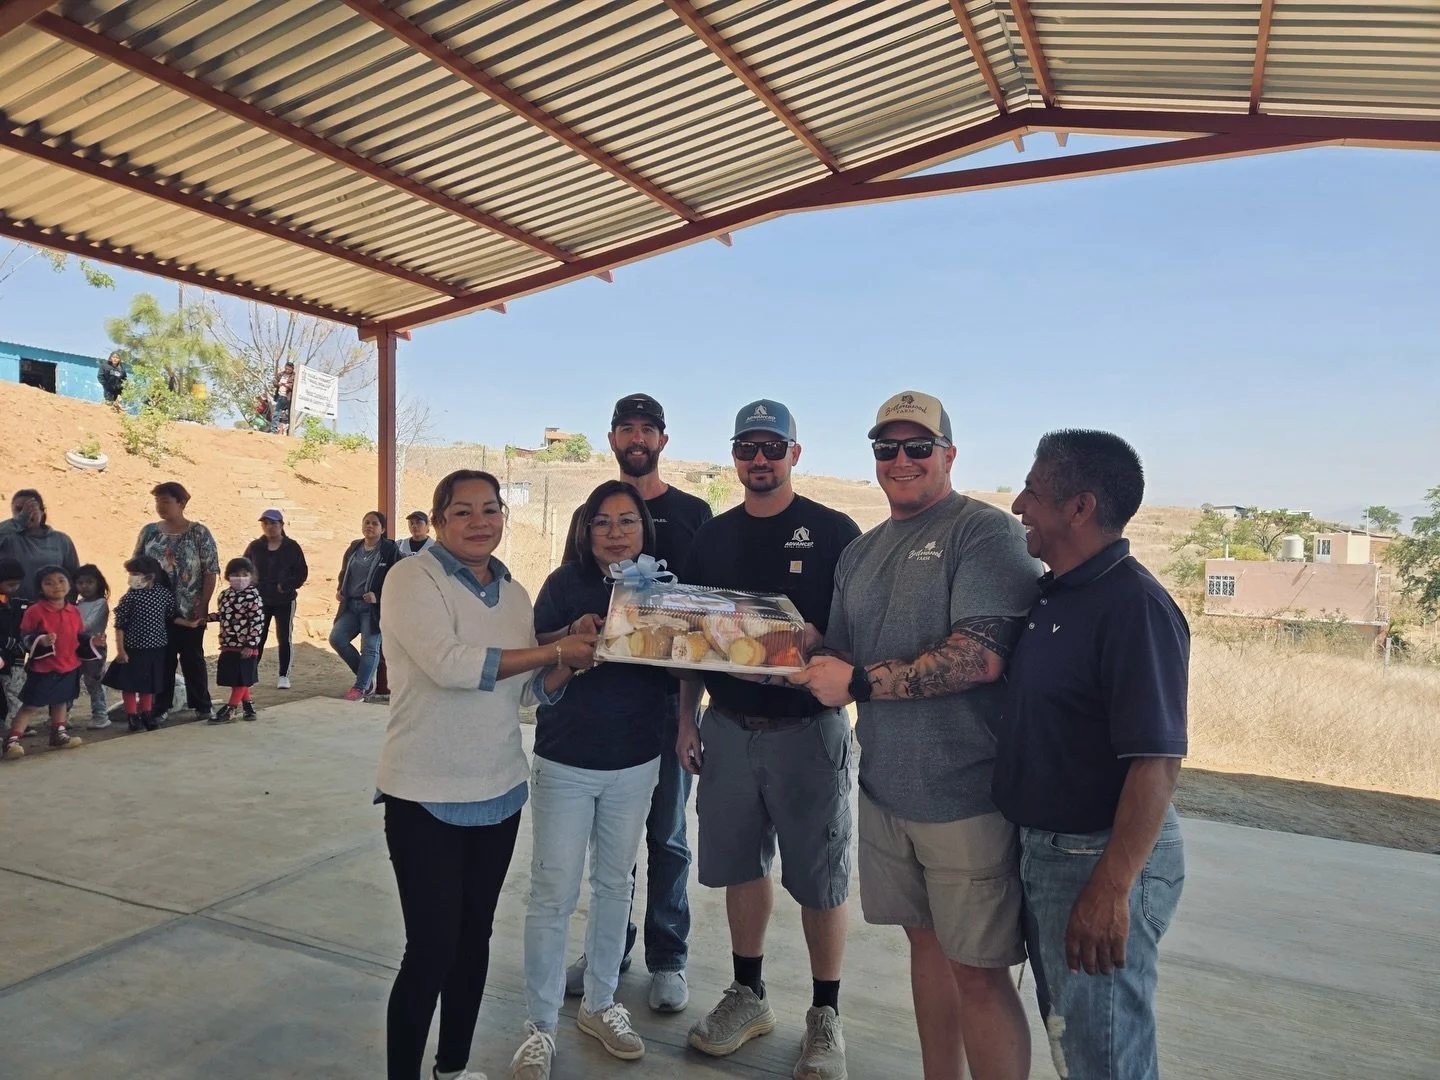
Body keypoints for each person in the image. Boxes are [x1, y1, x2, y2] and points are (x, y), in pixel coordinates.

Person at [793, 391, 1040, 1080]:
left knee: (981, 976)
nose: (900, 461)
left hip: (967, 797)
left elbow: (980, 656)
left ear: (949, 455)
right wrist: (780, 641)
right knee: (926, 951)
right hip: (885, 790)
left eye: (917, 447)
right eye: (885, 448)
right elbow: (842, 655)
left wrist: (861, 684)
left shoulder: (984, 533)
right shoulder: (860, 552)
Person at [376, 469, 595, 1080]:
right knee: (431, 950)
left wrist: (569, 651)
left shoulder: (515, 592)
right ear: (440, 520)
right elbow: (451, 665)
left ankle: (452, 1068)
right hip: (425, 792)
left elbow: (527, 688)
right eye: (463, 511)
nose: (480, 523)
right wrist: (554, 650)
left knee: (473, 944)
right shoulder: (410, 578)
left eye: (490, 510)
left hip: (498, 791)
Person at [993, 431, 1189, 1080]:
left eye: (1033, 489)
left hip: (1095, 861)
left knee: (1104, 1054)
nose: (1019, 502)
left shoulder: (1134, 608)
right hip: (1050, 855)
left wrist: (1110, 889)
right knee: (1073, 1040)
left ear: (1078, 507)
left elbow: (1156, 763)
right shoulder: (1057, 591)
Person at [674, 399, 860, 1080]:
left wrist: (817, 642)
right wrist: (686, 720)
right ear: (735, 457)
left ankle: (826, 1014)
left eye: (771, 448)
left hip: (809, 733)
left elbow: (859, 638)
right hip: (727, 727)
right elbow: (692, 641)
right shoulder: (712, 538)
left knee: (820, 877)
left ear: (794, 454)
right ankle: (748, 994)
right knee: (741, 866)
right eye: (747, 447)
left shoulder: (834, 531)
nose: (759, 459)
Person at [513, 481, 673, 1077]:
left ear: (644, 529)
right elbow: (533, 648)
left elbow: (684, 660)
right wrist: (570, 635)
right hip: (565, 763)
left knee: (615, 885)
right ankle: (540, 1024)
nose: (613, 532)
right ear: (585, 529)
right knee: (552, 892)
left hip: (635, 763)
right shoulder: (562, 585)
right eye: (601, 521)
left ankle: (602, 1003)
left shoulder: (662, 590)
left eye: (626, 521)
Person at [560, 393, 712, 1013]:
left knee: (669, 838)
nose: (637, 438)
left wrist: (686, 716)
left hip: (665, 709)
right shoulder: (590, 511)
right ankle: (608, 949)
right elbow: (571, 599)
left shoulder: (695, 514)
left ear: (663, 441)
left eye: (648, 428)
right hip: (602, 714)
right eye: (626, 428)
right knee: (613, 847)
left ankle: (668, 957)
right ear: (612, 439)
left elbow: (699, 623)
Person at [134, 482, 220, 723]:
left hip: (190, 608)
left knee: (192, 657)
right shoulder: (149, 532)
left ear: (181, 503)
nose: (160, 506)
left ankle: (202, 705)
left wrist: (203, 603)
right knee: (163, 658)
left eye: (166, 501)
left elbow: (210, 570)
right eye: (158, 501)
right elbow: (136, 567)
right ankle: (160, 707)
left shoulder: (199, 533)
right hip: (156, 610)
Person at [3, 566, 92, 760]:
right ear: (41, 589)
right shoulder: (35, 611)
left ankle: (58, 734)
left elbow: (79, 636)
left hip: (70, 665)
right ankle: (12, 740)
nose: (56, 586)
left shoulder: (73, 611)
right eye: (49, 583)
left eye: (61, 581)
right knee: (31, 705)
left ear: (69, 584)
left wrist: (94, 642)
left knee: (61, 699)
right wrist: (40, 641)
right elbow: (25, 637)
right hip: (44, 668)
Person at [103, 556, 176, 733]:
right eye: (131, 574)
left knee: (148, 685)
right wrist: (121, 651)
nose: (132, 577)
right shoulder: (129, 598)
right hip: (133, 649)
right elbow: (120, 625)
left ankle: (147, 714)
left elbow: (171, 616)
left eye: (136, 573)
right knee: (130, 685)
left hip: (156, 648)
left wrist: (190, 623)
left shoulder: (163, 595)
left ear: (150, 576)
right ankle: (132, 716)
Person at [332, 511, 399, 702]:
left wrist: (378, 596)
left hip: (373, 609)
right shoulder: (354, 547)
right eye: (367, 523)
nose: (369, 526)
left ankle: (360, 688)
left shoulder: (389, 550)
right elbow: (344, 571)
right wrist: (341, 589)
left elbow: (397, 578)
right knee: (337, 638)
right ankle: (367, 678)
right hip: (351, 605)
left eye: (375, 524)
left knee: (370, 648)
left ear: (383, 529)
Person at [244, 510, 309, 690]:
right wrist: (250, 587)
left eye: (273, 523)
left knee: (284, 637)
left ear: (281, 524)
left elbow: (301, 572)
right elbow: (244, 567)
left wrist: (285, 585)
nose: (269, 527)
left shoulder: (292, 547)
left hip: (284, 599)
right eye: (265, 523)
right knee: (258, 636)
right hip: (260, 600)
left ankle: (283, 676)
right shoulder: (255, 547)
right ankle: (251, 674)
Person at [208, 557, 265, 724]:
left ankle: (230, 709)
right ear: (228, 577)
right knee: (237, 678)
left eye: (244, 574)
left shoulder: (254, 597)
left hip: (245, 647)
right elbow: (224, 615)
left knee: (241, 678)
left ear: (252, 576)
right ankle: (248, 706)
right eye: (235, 574)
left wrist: (250, 645)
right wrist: (206, 619)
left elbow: (257, 623)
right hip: (228, 644)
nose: (239, 578)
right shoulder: (225, 595)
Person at [0, 490, 81, 602]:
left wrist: (66, 606)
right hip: (12, 609)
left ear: (41, 511)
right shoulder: (7, 538)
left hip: (51, 610)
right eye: (19, 510)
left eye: (30, 509)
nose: (25, 514)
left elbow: (74, 575)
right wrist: (18, 522)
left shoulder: (61, 540)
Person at [73, 564, 112, 730]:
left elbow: (86, 625)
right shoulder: (78, 604)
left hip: (93, 648)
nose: (85, 586)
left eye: (89, 582)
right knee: (71, 680)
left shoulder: (101, 603)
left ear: (98, 583)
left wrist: (65, 626)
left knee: (94, 682)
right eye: (80, 582)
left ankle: (100, 715)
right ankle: (61, 716)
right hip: (74, 646)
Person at [0, 558, 30, 726]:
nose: (15, 588)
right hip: (3, 656)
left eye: (17, 584)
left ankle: (18, 725)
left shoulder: (18, 603)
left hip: (16, 658)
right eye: (10, 584)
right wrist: (9, 643)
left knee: (15, 691)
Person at [273, 361, 295, 435]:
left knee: (289, 415)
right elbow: (274, 381)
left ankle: (288, 431)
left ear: (292, 369)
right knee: (276, 413)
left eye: (289, 369)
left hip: (289, 397)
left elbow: (294, 386)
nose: (287, 370)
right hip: (280, 396)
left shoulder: (294, 376)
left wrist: (286, 385)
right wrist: (278, 383)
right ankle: (274, 430)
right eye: (286, 368)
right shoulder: (280, 374)